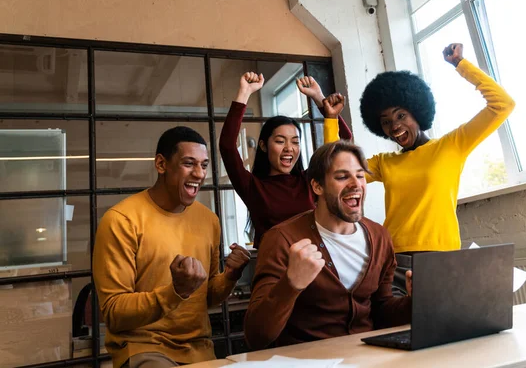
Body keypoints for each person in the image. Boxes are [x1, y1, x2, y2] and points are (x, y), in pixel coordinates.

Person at [358, 43, 516, 293]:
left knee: (442, 328)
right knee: (396, 328)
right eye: (386, 122)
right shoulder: (384, 162)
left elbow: (502, 105)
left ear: (417, 112)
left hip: (440, 258)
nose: (394, 126)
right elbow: (340, 170)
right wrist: (330, 119)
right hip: (394, 261)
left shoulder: (451, 146)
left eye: (401, 116)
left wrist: (461, 65)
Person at [93, 126, 251, 368]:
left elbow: (206, 297)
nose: (199, 174)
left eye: (204, 165)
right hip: (144, 348)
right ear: (161, 164)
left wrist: (230, 275)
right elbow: (114, 314)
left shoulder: (209, 220)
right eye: (189, 163)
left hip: (200, 349)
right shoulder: (121, 220)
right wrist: (175, 291)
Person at [244, 141, 412, 350]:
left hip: (368, 359)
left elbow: (382, 310)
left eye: (360, 175)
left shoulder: (380, 236)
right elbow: (256, 335)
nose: (355, 184)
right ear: (317, 186)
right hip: (307, 362)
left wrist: (414, 301)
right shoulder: (281, 239)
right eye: (342, 177)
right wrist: (291, 284)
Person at [219, 72, 352, 249]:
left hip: (316, 265)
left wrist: (321, 101)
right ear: (264, 146)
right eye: (280, 141)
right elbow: (227, 146)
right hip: (275, 271)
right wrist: (244, 92)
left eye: (295, 142)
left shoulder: (310, 181)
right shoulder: (253, 187)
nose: (289, 148)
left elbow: (344, 144)